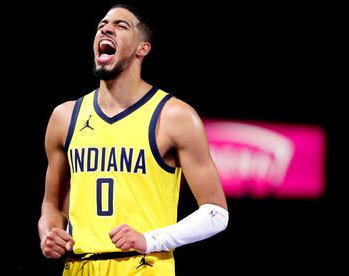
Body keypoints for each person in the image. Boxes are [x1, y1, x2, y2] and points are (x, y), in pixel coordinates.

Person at [38, 4, 228, 276]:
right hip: (79, 267)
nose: (106, 28)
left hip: (143, 266)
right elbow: (52, 205)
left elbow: (216, 213)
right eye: (102, 24)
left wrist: (151, 240)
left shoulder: (175, 116)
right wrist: (49, 233)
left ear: (142, 49)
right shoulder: (64, 117)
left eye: (120, 25)